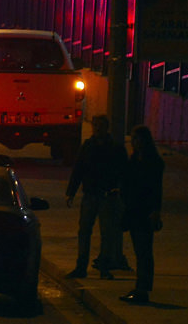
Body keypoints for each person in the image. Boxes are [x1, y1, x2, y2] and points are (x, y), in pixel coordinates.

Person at [64, 114, 128, 279]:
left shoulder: (114, 148)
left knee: (106, 233)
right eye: (95, 125)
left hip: (107, 195)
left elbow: (124, 172)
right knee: (85, 231)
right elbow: (78, 169)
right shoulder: (88, 146)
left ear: (106, 128)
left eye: (100, 126)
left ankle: (103, 267)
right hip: (90, 195)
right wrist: (71, 192)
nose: (97, 129)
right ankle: (82, 266)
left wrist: (121, 192)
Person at [119, 125, 164, 304]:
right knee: (140, 251)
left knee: (144, 251)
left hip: (144, 211)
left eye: (137, 139)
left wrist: (155, 210)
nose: (134, 143)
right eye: (133, 139)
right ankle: (140, 287)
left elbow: (156, 189)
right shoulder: (134, 160)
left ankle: (142, 288)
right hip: (134, 209)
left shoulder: (153, 162)